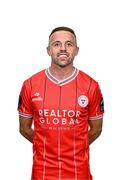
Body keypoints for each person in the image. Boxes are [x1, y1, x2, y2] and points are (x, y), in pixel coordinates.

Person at [18, 26, 104, 180]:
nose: (63, 48)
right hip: (42, 172)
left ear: (77, 50)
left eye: (69, 44)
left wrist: (75, 149)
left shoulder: (91, 86)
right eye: (56, 44)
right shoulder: (30, 85)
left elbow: (96, 129)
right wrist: (45, 146)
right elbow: (24, 128)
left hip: (79, 172)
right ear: (48, 50)